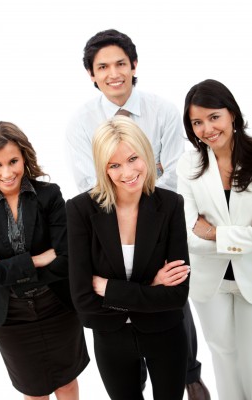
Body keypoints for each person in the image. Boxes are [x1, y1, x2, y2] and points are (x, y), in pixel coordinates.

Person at [65, 28, 210, 400]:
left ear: (133, 66)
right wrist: (148, 289)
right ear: (91, 74)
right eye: (103, 66)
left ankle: (189, 373)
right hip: (114, 329)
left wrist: (110, 288)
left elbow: (174, 172)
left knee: (177, 311)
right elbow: (88, 181)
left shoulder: (161, 109)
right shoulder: (82, 123)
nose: (113, 73)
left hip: (158, 225)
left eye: (120, 63)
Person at [66, 116, 190, 400]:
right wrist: (152, 287)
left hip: (165, 333)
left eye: (133, 158)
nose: (128, 172)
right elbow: (83, 301)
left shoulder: (171, 205)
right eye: (114, 165)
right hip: (111, 339)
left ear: (146, 152)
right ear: (103, 168)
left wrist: (109, 289)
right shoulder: (81, 210)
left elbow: (177, 295)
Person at [0, 121, 89, 400]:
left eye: (13, 161)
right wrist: (36, 260)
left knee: (67, 384)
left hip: (57, 307)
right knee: (34, 392)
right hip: (11, 317)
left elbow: (68, 258)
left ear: (24, 157)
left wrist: (4, 267)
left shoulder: (50, 195)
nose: (7, 173)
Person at [176, 79, 252, 400]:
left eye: (214, 116)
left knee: (250, 358)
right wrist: (237, 236)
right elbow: (188, 232)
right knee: (223, 355)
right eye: (197, 122)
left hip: (250, 275)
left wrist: (213, 232)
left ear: (232, 114)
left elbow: (202, 231)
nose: (207, 128)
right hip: (211, 282)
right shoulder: (189, 164)